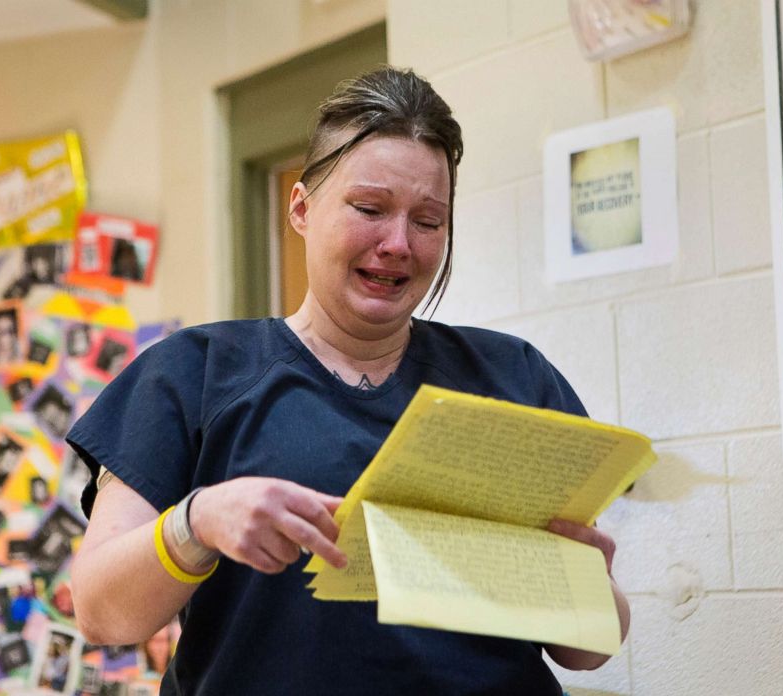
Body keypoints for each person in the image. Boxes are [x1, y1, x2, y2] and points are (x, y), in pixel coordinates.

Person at [68, 66, 630, 695]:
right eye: (369, 208)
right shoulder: (193, 374)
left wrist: (586, 590)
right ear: (302, 207)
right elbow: (99, 611)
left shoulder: (513, 375)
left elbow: (585, 652)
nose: (398, 243)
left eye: (428, 220)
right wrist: (196, 524)